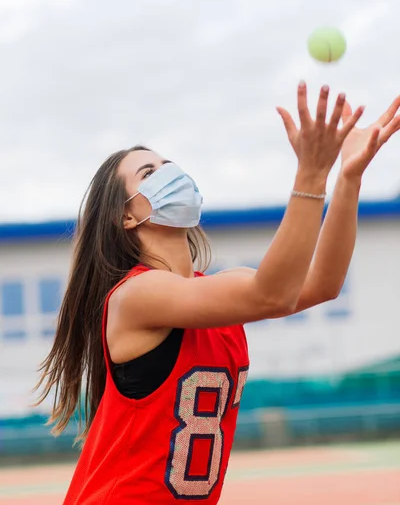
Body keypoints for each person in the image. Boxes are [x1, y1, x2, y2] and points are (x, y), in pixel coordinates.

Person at [35, 83, 400, 504]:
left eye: (168, 164)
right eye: (150, 173)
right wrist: (311, 175)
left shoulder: (208, 291)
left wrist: (348, 177)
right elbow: (273, 295)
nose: (170, 174)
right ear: (126, 216)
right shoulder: (137, 296)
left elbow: (322, 284)